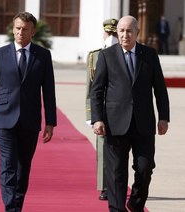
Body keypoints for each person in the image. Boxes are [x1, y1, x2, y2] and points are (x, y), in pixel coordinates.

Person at [91, 15, 170, 211]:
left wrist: (164, 117)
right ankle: (116, 209)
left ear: (137, 32)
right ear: (117, 33)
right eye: (121, 31)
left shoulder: (149, 55)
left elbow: (159, 88)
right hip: (114, 122)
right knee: (116, 171)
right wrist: (97, 119)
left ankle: (135, 203)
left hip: (143, 123)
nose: (125, 35)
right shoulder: (107, 56)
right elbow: (97, 90)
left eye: (129, 31)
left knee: (145, 168)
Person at [0, 12, 57, 212]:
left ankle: (17, 206)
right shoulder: (0, 54)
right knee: (7, 165)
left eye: (24, 29)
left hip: (30, 120)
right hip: (4, 119)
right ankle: (10, 208)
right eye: (17, 28)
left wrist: (50, 122)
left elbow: (49, 91)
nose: (20, 32)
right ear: (13, 29)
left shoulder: (43, 55)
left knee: (23, 167)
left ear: (33, 31)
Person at [85, 18, 118, 201]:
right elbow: (89, 89)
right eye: (109, 33)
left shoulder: (126, 53)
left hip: (119, 110)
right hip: (101, 110)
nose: (111, 37)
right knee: (103, 150)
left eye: (115, 33)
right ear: (104, 33)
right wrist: (91, 115)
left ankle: (116, 184)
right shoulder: (94, 56)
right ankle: (105, 187)